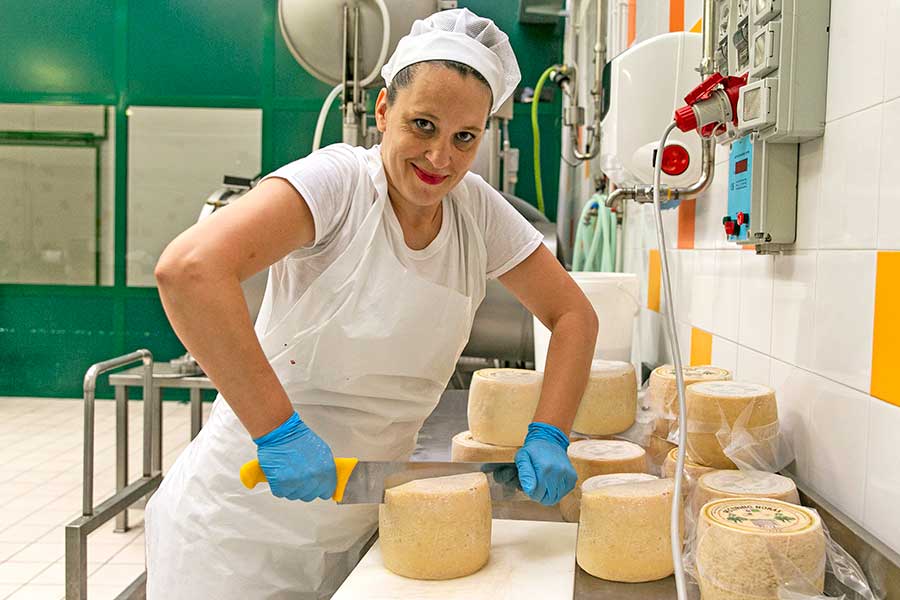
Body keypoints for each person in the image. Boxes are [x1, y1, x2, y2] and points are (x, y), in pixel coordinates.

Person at [146, 8, 598, 599]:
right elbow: (188, 270)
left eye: (465, 137)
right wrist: (278, 430)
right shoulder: (339, 184)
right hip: (238, 529)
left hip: (362, 523)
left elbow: (575, 316)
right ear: (383, 110)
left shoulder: (476, 210)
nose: (441, 158)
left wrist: (551, 432)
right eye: (423, 125)